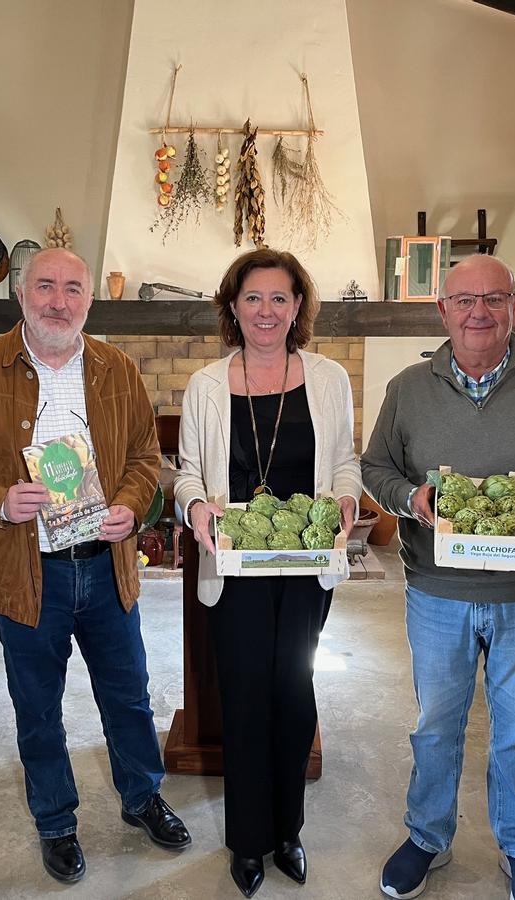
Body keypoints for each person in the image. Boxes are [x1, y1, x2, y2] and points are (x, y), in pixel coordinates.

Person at [0, 247, 189, 885]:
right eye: (45, 285)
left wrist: (131, 506)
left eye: (73, 288)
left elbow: (144, 459)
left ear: (88, 300)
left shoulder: (119, 369)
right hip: (27, 576)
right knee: (38, 708)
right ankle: (55, 821)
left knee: (128, 695)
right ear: (21, 293)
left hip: (107, 568)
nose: (58, 300)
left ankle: (141, 796)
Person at [362, 255, 515, 900]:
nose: (479, 312)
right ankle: (427, 836)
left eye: (494, 299)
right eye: (465, 300)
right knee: (437, 723)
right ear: (441, 310)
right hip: (437, 592)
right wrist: (408, 499)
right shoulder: (408, 389)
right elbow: (375, 468)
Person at [174, 248, 361, 898]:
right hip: (236, 566)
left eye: (280, 298)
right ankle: (249, 841)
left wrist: (344, 500)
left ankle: (289, 832)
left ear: (298, 307)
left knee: (294, 690)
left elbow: (345, 463)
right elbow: (188, 472)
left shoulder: (330, 379)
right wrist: (196, 506)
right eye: (253, 297)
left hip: (306, 564)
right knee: (246, 698)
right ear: (233, 306)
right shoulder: (204, 385)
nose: (266, 310)